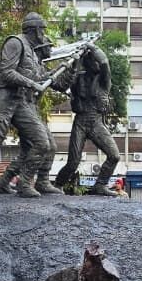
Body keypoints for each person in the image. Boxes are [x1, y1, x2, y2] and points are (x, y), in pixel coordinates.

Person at [0, 12, 65, 198]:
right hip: (4, 98)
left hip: (22, 101)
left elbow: (41, 79)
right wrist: (31, 83)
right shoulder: (15, 43)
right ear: (35, 30)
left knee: (43, 143)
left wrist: (63, 70)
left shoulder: (34, 54)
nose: (44, 34)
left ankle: (23, 183)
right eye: (42, 30)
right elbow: (5, 71)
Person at [52, 45, 121, 196]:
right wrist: (73, 64)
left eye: (95, 60)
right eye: (91, 60)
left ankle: (100, 185)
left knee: (114, 155)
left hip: (96, 121)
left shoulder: (104, 80)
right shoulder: (78, 77)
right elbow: (60, 85)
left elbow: (105, 64)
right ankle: (58, 185)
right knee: (73, 162)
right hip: (81, 121)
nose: (95, 63)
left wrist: (93, 48)